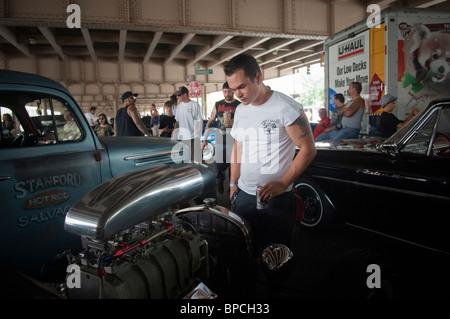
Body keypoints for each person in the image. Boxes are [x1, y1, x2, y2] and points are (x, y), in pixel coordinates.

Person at [224, 53, 316, 253]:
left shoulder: (286, 108)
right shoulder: (241, 110)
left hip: (276, 198)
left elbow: (308, 149)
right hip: (243, 195)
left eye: (242, 86)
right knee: (245, 251)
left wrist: (283, 183)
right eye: (233, 89)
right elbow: (238, 148)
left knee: (276, 256)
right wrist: (232, 185)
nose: (237, 94)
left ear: (258, 77)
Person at [202, 82, 240, 194]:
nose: (226, 94)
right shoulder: (218, 104)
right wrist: (204, 139)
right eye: (224, 92)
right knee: (218, 165)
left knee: (234, 166)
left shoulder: (239, 105)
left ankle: (231, 191)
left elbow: (245, 123)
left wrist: (235, 124)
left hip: (234, 140)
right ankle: (219, 182)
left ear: (233, 91)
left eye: (229, 91)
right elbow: (211, 121)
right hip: (220, 139)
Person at [173, 86, 203, 162]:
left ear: (185, 94)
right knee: (185, 160)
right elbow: (177, 122)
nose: (177, 97)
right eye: (177, 95)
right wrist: (175, 135)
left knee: (195, 160)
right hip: (182, 138)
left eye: (179, 95)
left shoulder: (194, 105)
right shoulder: (179, 107)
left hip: (193, 137)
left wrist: (198, 137)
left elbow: (199, 122)